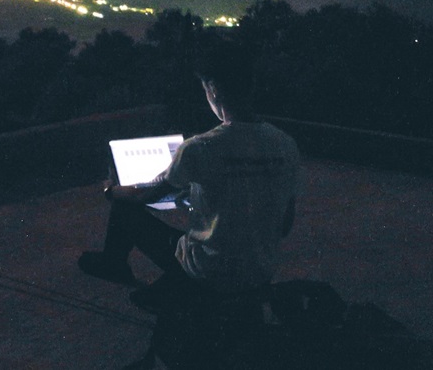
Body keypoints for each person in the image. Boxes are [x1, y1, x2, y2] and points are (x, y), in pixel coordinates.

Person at [78, 38, 300, 307]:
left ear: (213, 89)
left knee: (125, 209)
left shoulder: (200, 146)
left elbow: (143, 197)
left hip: (209, 271)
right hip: (259, 272)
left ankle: (118, 265)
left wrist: (110, 190)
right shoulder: (285, 144)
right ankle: (168, 288)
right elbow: (283, 225)